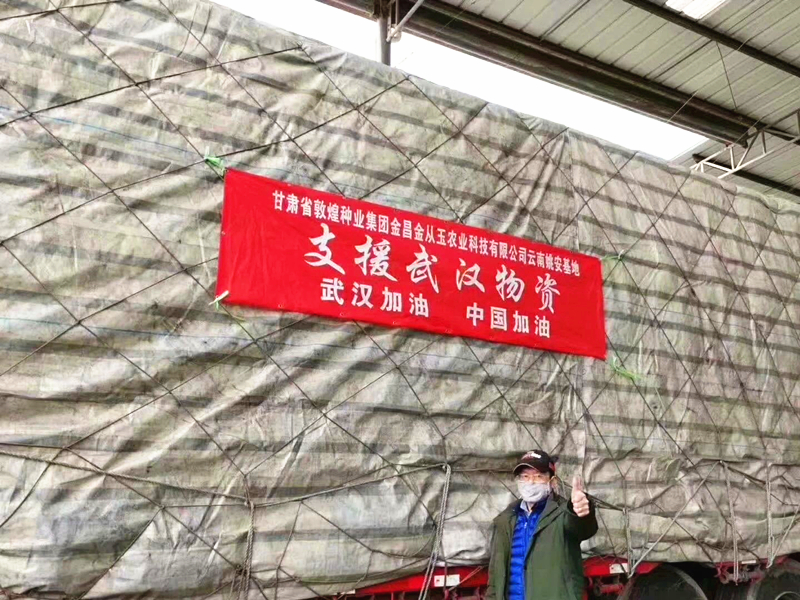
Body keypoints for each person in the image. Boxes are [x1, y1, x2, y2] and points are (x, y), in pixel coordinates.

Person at [486, 450, 598, 600]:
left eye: (538, 476)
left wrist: (580, 510)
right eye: (525, 476)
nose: (530, 482)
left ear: (552, 482)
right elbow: (495, 576)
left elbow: (582, 528)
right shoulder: (505, 520)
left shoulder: (563, 514)